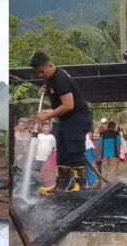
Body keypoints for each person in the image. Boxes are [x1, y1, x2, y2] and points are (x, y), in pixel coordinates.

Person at [31, 52, 91, 192]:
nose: (40, 75)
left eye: (41, 71)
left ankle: (79, 184)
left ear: (50, 65)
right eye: (37, 73)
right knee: (63, 152)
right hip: (66, 120)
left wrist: (47, 116)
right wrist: (46, 91)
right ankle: (61, 185)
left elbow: (68, 105)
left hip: (77, 118)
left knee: (75, 151)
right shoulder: (51, 79)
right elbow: (55, 95)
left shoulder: (60, 78)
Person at [35, 120, 57, 195]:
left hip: (47, 159)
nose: (46, 128)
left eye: (48, 127)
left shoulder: (52, 137)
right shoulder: (39, 136)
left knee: (46, 174)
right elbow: (33, 141)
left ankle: (46, 187)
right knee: (38, 174)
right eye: (45, 127)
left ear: (50, 128)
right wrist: (35, 128)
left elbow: (53, 148)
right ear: (42, 128)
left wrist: (50, 157)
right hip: (38, 158)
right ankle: (38, 188)